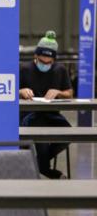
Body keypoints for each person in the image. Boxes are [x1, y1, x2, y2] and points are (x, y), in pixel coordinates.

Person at [19, 30, 73, 179]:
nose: (45, 65)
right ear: (35, 56)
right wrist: (20, 91)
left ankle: (38, 166)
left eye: (49, 63)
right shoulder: (24, 69)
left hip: (51, 114)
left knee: (69, 134)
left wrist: (59, 92)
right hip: (29, 115)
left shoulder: (60, 70)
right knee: (41, 141)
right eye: (42, 62)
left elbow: (69, 93)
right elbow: (9, 91)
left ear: (54, 60)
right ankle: (45, 169)